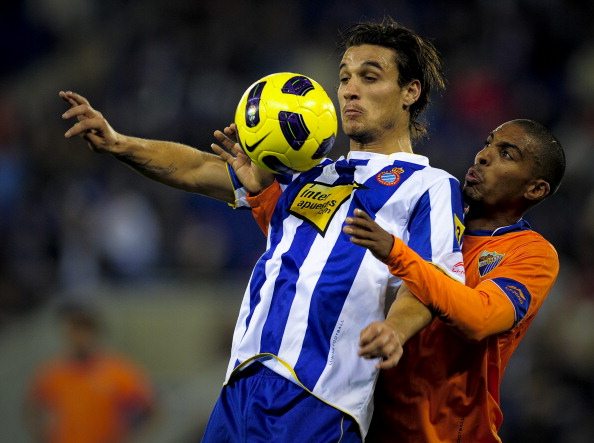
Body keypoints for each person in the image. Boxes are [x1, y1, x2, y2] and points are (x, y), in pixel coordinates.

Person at [59, 17, 464, 441]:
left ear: (410, 92)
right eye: (344, 77)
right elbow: (200, 168)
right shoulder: (308, 172)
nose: (349, 89)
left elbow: (430, 281)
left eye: (369, 76)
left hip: (319, 397)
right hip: (241, 385)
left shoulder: (429, 185)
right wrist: (120, 142)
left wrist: (394, 329)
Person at [342, 119, 566, 442]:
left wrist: (398, 254)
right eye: (488, 143)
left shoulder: (533, 254)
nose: (483, 155)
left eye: (506, 154)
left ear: (535, 189)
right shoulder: (434, 213)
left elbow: (480, 317)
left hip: (446, 434)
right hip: (369, 422)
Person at [24, 302, 155, 443]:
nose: (80, 337)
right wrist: (41, 436)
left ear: (95, 332)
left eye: (85, 329)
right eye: (74, 330)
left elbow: (149, 408)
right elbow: (32, 407)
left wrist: (128, 436)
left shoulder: (118, 372)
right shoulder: (52, 373)